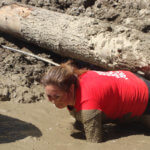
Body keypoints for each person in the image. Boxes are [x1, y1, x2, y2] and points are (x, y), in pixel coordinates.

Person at [41, 60, 150, 143]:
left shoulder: (88, 105)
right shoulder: (76, 77)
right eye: (49, 96)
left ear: (71, 89)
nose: (52, 101)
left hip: (145, 98)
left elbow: (94, 143)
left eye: (57, 97)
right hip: (132, 79)